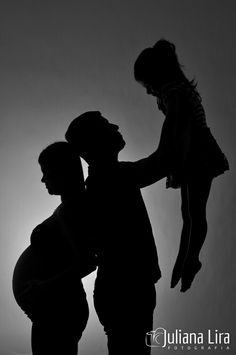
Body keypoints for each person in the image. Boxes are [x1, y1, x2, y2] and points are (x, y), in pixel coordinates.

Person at [65, 111, 168, 355]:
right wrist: (177, 115)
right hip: (126, 289)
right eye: (106, 124)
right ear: (96, 140)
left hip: (122, 287)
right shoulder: (111, 177)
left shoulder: (106, 177)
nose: (116, 124)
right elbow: (162, 162)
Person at [134, 39, 229, 292]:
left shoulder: (173, 91)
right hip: (191, 152)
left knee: (194, 212)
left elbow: (174, 122)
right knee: (189, 213)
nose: (148, 91)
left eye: (147, 84)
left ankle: (191, 258)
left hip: (197, 152)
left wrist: (163, 151)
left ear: (156, 76)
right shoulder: (178, 89)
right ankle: (185, 256)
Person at [12, 142, 96, 355]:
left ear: (62, 171)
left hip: (59, 311)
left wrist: (45, 287)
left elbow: (87, 262)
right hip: (53, 311)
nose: (42, 179)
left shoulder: (72, 210)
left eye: (46, 172)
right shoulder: (70, 207)